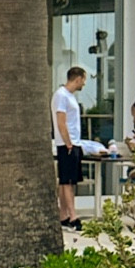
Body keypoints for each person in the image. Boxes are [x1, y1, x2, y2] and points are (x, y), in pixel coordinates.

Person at [51, 65, 88, 228]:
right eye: (83, 80)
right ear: (78, 79)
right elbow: (61, 122)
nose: (84, 84)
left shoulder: (70, 96)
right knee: (68, 181)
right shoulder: (61, 95)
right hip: (67, 143)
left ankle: (64, 214)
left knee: (68, 180)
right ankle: (73, 216)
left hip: (74, 142)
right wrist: (68, 143)